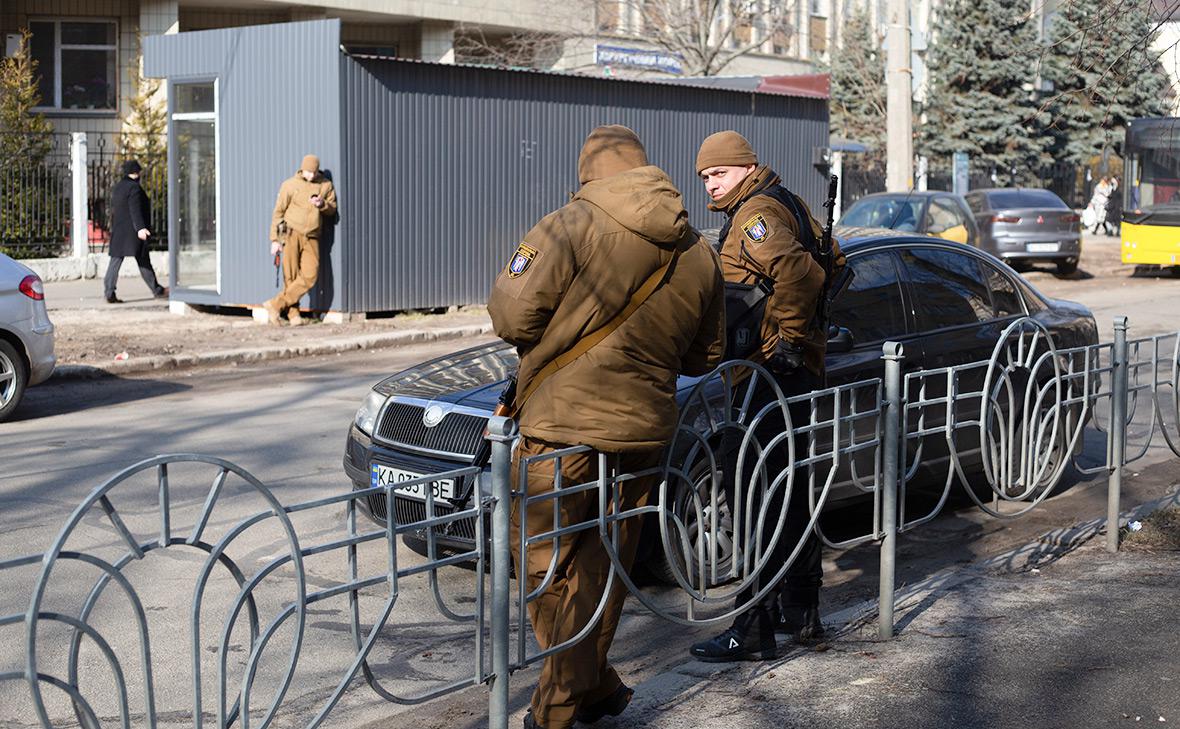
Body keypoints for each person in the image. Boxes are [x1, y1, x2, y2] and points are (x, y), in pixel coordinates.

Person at [488, 125, 725, 729]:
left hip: (559, 428)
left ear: (588, 171)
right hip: (643, 435)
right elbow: (706, 357)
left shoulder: (571, 224)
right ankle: (594, 686)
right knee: (600, 572)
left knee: (542, 562)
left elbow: (511, 317)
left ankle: (557, 712)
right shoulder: (697, 250)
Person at [689, 130, 844, 663]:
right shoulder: (786, 201)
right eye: (705, 176)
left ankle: (751, 626)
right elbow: (835, 263)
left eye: (719, 173)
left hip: (770, 377)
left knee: (755, 496)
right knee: (788, 492)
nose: (711, 183)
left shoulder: (756, 215)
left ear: (745, 166)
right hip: (786, 376)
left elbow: (801, 275)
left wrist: (790, 344)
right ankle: (801, 611)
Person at [263, 154, 337, 325]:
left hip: (312, 236)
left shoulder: (325, 185)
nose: (310, 175)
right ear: (302, 169)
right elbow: (278, 213)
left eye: (313, 172)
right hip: (291, 233)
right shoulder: (290, 185)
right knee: (290, 275)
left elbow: (332, 209)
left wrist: (322, 204)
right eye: (307, 172)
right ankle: (294, 315)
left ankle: (276, 304)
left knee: (311, 274)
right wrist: (274, 240)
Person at [104, 160, 167, 304]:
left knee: (115, 261)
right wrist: (140, 228)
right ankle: (157, 290)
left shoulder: (119, 187)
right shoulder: (134, 188)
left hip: (119, 230)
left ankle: (109, 292)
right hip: (133, 231)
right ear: (136, 172)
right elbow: (135, 209)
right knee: (143, 260)